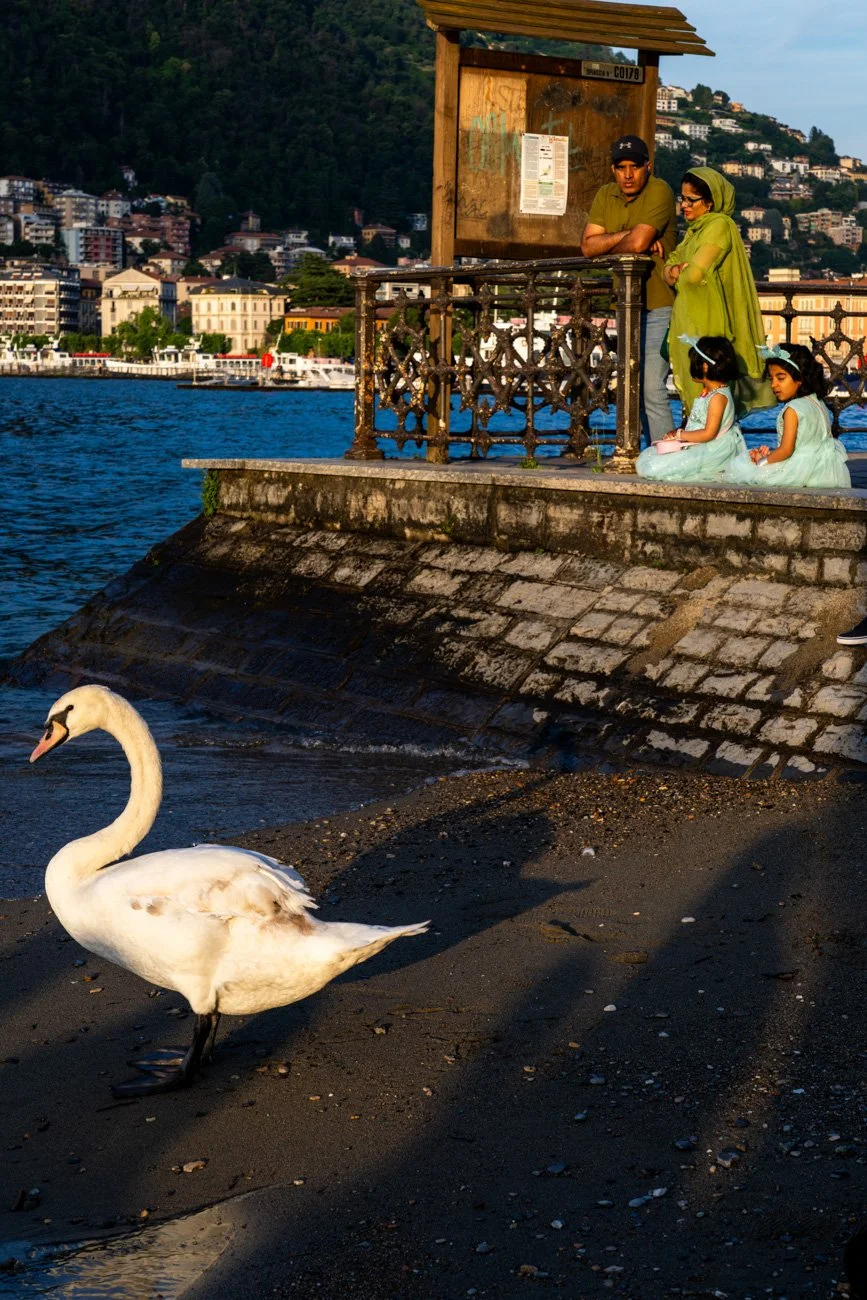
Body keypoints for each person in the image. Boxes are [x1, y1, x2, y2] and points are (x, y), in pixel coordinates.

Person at [581, 134, 677, 444]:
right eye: (621, 167)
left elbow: (631, 244)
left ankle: (667, 457)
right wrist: (630, 237)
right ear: (613, 169)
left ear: (648, 166)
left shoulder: (659, 190)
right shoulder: (605, 195)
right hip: (625, 305)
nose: (628, 174)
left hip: (660, 303)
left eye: (635, 166)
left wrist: (616, 241)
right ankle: (644, 451)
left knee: (650, 385)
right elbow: (587, 246)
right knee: (630, 382)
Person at [663, 167, 773, 418]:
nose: (684, 206)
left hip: (708, 327)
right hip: (692, 322)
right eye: (682, 198)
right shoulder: (693, 232)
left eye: (691, 200)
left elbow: (693, 275)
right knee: (699, 401)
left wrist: (677, 272)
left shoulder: (719, 226)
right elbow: (669, 268)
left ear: (710, 203)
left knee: (709, 399)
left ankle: (713, 450)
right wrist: (675, 270)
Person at [724, 342, 850, 489]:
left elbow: (786, 450)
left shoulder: (792, 409)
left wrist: (761, 464)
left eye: (781, 378)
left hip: (802, 472)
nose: (773, 385)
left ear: (800, 378)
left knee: (742, 469)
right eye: (771, 379)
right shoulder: (817, 402)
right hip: (827, 471)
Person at [636, 335, 746, 482]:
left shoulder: (718, 397)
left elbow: (708, 434)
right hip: (698, 446)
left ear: (705, 366)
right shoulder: (710, 392)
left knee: (654, 468)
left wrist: (680, 435)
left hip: (711, 450)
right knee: (649, 460)